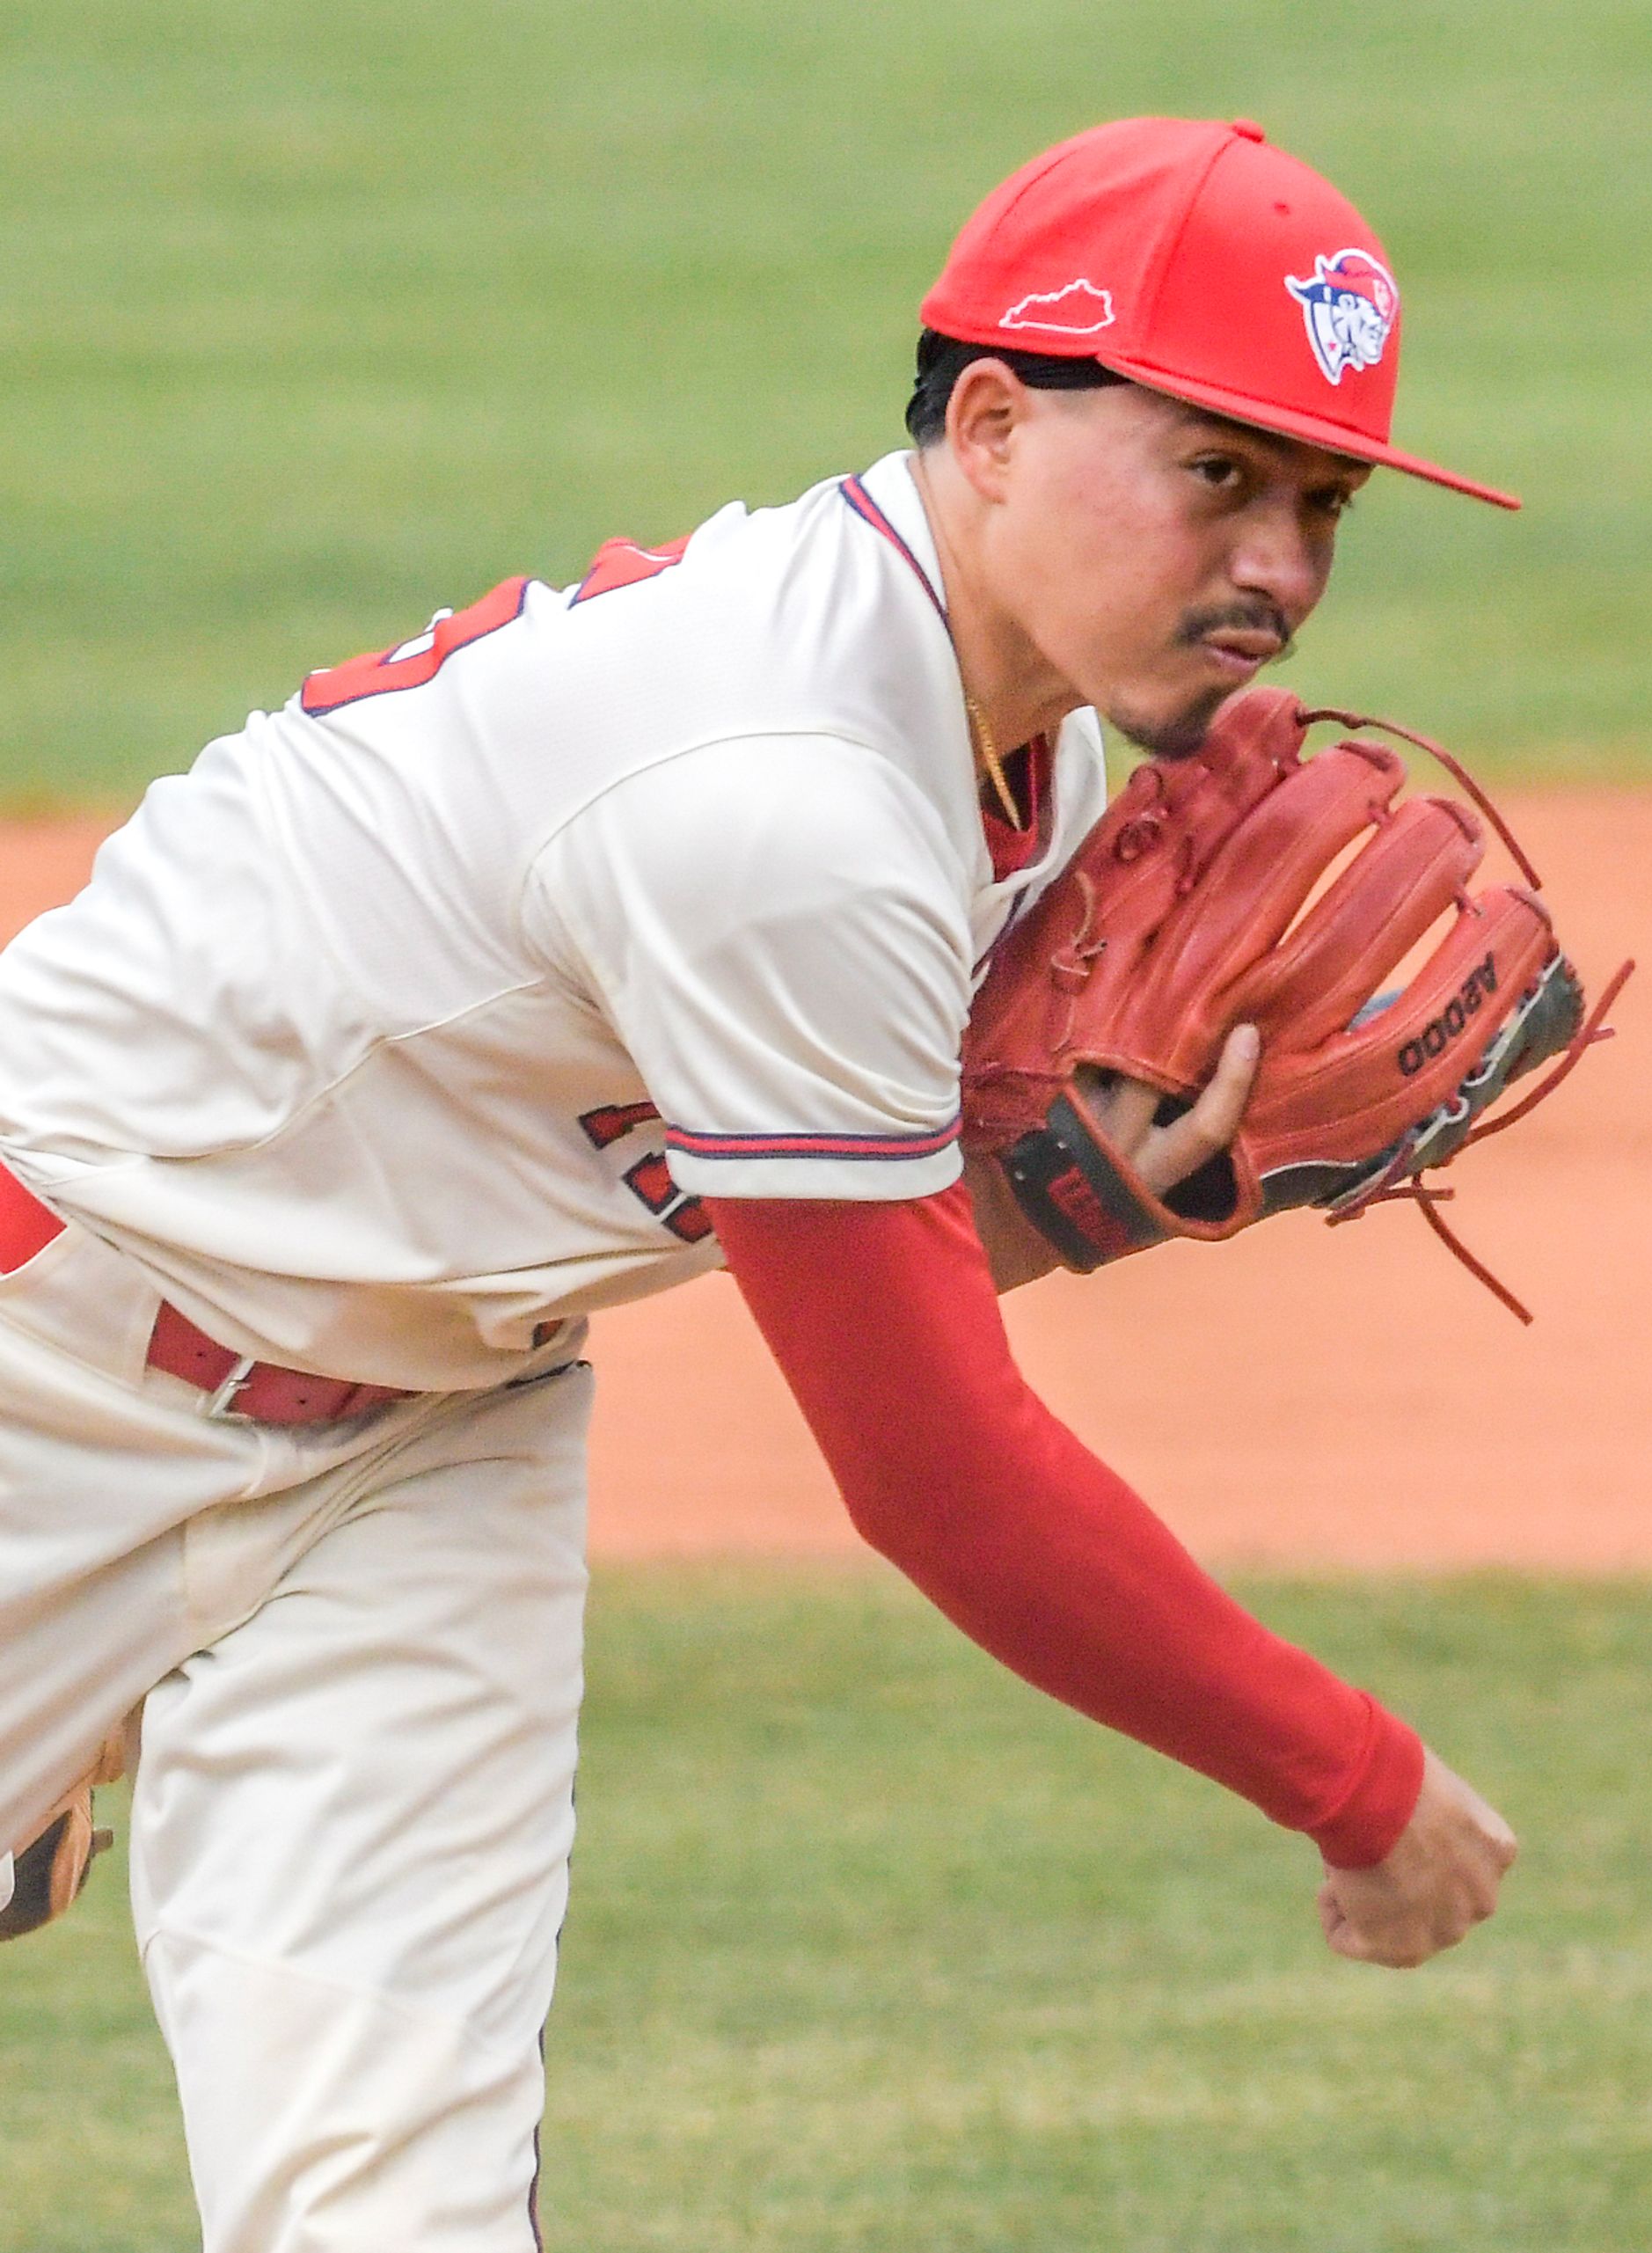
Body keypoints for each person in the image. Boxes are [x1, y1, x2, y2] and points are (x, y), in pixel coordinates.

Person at [0, 115, 1520, 2249]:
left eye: (1320, 501)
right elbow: (936, 1478)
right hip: (52, 1357)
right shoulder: (779, 797)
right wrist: (1354, 1783)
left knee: (391, 2217)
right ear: (990, 425)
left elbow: (763, 1210)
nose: (1277, 561)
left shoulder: (1041, 743)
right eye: (1216, 473)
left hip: (431, 1425)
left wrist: (1046, 1209)